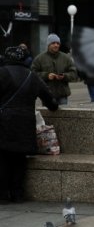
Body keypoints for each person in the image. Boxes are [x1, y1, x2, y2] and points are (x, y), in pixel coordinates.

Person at [0, 46, 58, 204]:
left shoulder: (2, 73)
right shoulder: (31, 76)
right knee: (20, 158)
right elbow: (50, 100)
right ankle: (18, 194)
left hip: (4, 121)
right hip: (25, 122)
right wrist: (53, 105)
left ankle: (3, 195)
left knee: (3, 157)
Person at [31, 34, 78, 105]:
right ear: (48, 45)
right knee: (48, 115)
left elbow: (74, 74)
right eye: (53, 43)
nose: (56, 45)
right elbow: (33, 74)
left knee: (64, 114)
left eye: (58, 43)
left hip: (62, 94)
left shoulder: (66, 58)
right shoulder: (39, 59)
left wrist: (64, 76)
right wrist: (46, 76)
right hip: (47, 94)